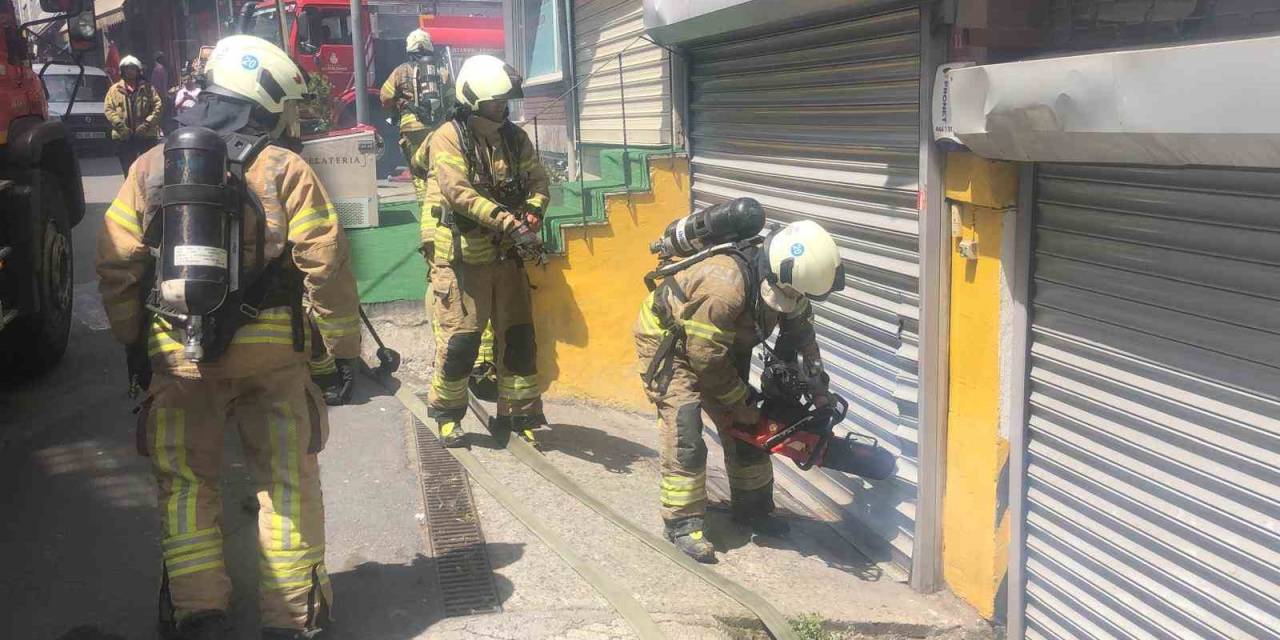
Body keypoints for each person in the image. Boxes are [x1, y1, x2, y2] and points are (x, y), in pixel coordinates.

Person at [97, 35, 361, 640]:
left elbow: (115, 264)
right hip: (273, 362)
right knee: (286, 482)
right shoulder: (285, 167)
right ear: (263, 99)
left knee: (187, 486)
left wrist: (137, 341)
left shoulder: (152, 164)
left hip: (177, 357)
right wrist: (341, 352)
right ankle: (293, 620)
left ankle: (199, 613)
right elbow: (326, 263)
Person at [633, 220, 844, 563]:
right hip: (670, 345)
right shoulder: (723, 287)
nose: (792, 302)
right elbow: (703, 358)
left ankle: (754, 510)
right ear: (777, 275)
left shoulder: (790, 284)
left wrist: (819, 389)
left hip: (720, 344)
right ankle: (682, 523)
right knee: (685, 427)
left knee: (752, 427)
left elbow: (804, 338)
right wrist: (738, 400)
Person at [424, 54, 549, 448]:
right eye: (495, 101)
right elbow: (458, 192)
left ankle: (520, 414)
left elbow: (539, 180)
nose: (503, 107)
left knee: (518, 337)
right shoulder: (448, 136)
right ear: (473, 99)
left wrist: (533, 211)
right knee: (462, 341)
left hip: (507, 256)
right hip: (465, 259)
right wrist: (506, 221)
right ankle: (447, 415)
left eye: (504, 100)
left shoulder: (515, 137)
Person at [104, 55, 163, 174]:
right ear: (122, 71)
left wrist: (147, 124)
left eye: (133, 69)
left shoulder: (148, 88)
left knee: (147, 170)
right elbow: (109, 109)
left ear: (138, 71)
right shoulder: (114, 90)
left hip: (146, 136)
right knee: (129, 171)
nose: (130, 71)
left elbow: (158, 106)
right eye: (127, 69)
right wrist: (121, 127)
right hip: (124, 137)